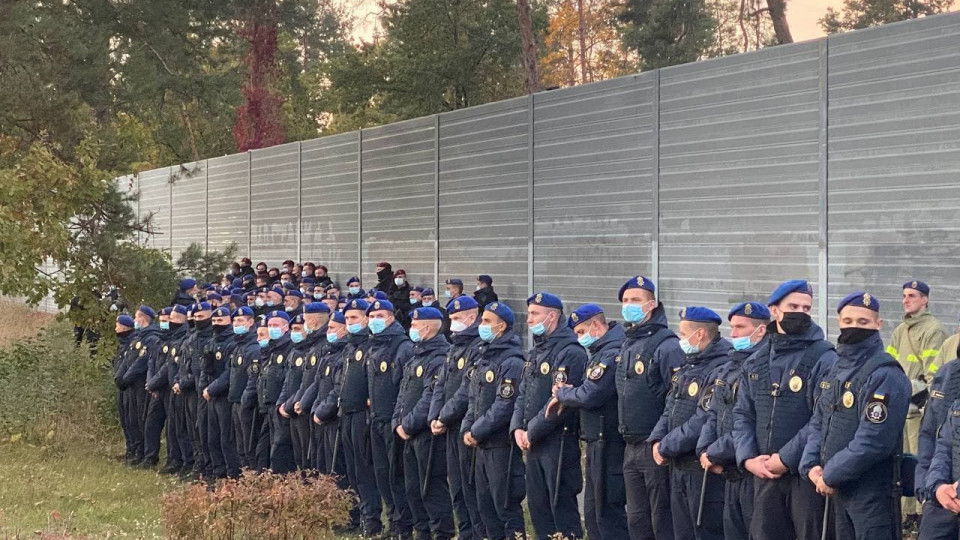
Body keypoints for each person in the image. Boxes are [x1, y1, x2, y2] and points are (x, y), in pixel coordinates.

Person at [801, 291, 910, 540]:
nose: (854, 327)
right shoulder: (836, 368)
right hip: (838, 489)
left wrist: (829, 474)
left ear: (878, 325)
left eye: (863, 322)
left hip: (872, 494)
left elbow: (873, 441)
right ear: (839, 321)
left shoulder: (885, 374)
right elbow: (819, 420)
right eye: (848, 321)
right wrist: (811, 466)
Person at [733, 280, 837, 540]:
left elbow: (821, 419)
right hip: (763, 474)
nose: (799, 312)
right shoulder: (756, 360)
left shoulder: (824, 357)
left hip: (804, 477)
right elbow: (743, 413)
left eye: (806, 307)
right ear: (775, 311)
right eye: (792, 306)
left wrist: (785, 459)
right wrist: (747, 458)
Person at [649, 307, 731, 540]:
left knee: (704, 531)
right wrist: (656, 440)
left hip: (700, 468)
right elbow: (670, 407)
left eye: (683, 334)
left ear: (701, 334)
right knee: (682, 532)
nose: (680, 340)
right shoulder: (689, 364)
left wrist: (666, 446)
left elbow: (703, 417)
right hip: (678, 465)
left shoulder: (719, 367)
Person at [511, 292, 586, 540]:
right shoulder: (538, 350)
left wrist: (531, 431)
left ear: (552, 316)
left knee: (560, 506)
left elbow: (558, 406)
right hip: (533, 441)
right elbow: (523, 393)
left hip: (558, 442)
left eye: (535, 314)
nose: (529, 319)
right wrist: (518, 428)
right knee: (538, 506)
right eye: (530, 313)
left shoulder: (569, 351)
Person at [551, 304, 629, 540]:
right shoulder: (598, 351)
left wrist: (563, 394)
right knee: (595, 515)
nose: (578, 338)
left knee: (608, 514)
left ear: (596, 325)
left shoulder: (611, 352)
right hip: (596, 439)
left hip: (610, 442)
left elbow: (590, 394)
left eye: (581, 331)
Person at [614, 276, 684, 540]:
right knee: (637, 520)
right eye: (625, 301)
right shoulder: (629, 341)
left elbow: (676, 400)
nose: (629, 305)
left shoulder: (666, 345)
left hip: (653, 446)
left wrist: (661, 441)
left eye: (636, 300)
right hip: (630, 445)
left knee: (661, 519)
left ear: (651, 305)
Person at [697, 302, 769, 540]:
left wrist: (714, 453)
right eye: (733, 327)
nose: (733, 334)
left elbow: (748, 422)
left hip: (750, 472)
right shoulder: (729, 366)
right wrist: (704, 450)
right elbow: (713, 413)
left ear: (761, 331)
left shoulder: (765, 367)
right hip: (728, 472)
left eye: (740, 327)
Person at [461, 302, 527, 540]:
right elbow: (472, 398)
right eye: (482, 320)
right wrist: (467, 428)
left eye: (488, 321)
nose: (482, 325)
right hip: (481, 445)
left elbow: (504, 406)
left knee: (505, 505)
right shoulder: (483, 357)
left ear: (503, 325)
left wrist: (477, 431)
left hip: (500, 445)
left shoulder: (512, 361)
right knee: (484, 505)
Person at [889, 280, 947, 533]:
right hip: (899, 410)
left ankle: (921, 517)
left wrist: (923, 404)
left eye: (912, 295)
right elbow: (890, 365)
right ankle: (905, 514)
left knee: (921, 462)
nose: (905, 300)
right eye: (903, 295)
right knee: (902, 464)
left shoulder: (932, 330)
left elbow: (934, 376)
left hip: (919, 410)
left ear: (925, 300)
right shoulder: (901, 330)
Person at [395, 307, 456, 540]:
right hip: (408, 434)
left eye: (415, 324)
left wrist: (408, 425)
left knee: (431, 487)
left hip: (426, 434)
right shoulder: (416, 355)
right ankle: (421, 532)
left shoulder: (439, 357)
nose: (412, 329)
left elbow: (429, 397)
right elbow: (403, 393)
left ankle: (441, 533)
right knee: (413, 488)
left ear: (428, 327)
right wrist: (397, 422)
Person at [431, 296, 486, 540]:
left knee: (471, 487)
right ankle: (465, 533)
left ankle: (476, 533)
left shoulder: (477, 346)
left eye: (455, 319)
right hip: (449, 426)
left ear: (472, 317)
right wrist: (435, 416)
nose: (451, 324)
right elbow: (440, 385)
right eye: (450, 319)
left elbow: (465, 392)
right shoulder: (455, 345)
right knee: (457, 487)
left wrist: (444, 417)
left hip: (466, 426)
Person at [366, 299, 417, 539]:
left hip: (392, 421)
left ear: (390, 318)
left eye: (380, 315)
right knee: (382, 474)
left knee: (397, 476)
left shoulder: (402, 346)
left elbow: (405, 388)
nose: (375, 320)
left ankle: (403, 524)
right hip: (376, 418)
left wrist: (399, 418)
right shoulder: (374, 344)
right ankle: (393, 519)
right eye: (372, 315)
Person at [120, 306, 160, 467]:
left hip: (141, 383)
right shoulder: (139, 337)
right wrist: (122, 377)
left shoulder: (151, 338)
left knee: (142, 419)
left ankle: (146, 453)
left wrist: (127, 377)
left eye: (136, 318)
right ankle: (136, 451)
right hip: (131, 385)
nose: (134, 321)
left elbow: (142, 362)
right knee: (132, 419)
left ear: (142, 319)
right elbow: (128, 359)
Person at [112, 315, 138, 464]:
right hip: (122, 386)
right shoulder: (123, 344)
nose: (116, 329)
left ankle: (136, 450)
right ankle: (130, 449)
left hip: (130, 386)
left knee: (132, 420)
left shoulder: (132, 343)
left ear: (125, 327)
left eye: (118, 326)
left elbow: (132, 365)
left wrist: (124, 379)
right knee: (125, 420)